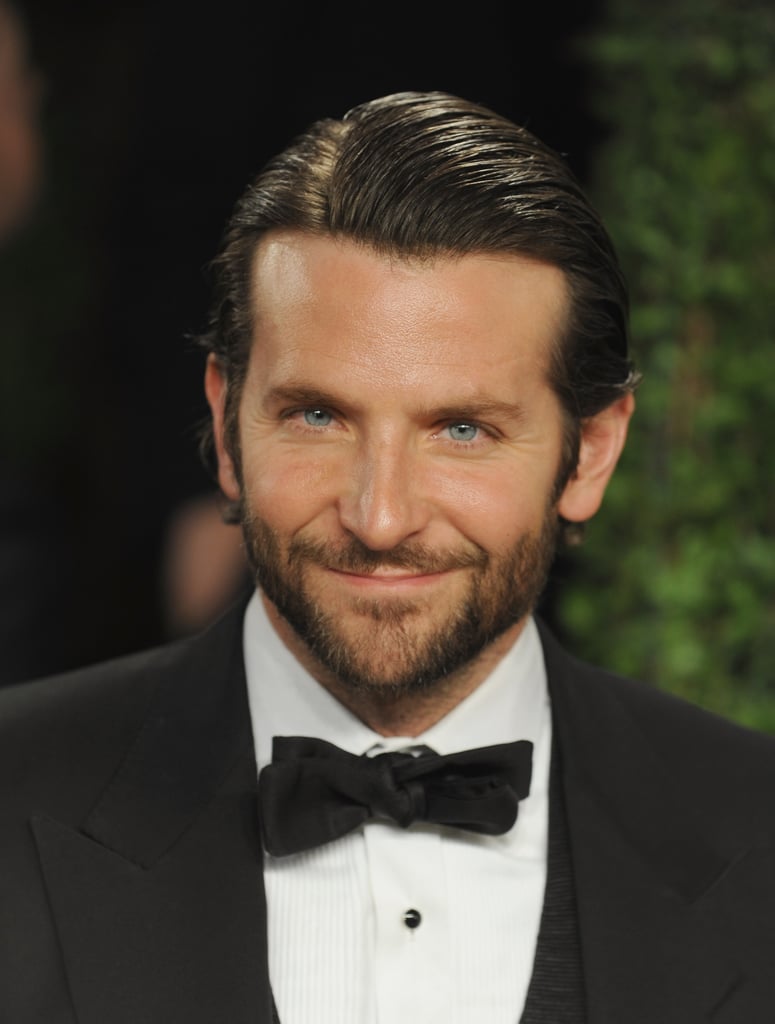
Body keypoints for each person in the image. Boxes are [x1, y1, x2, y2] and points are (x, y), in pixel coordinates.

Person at [1, 90, 774, 1024]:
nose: (379, 515)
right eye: (317, 416)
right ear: (225, 421)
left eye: (461, 429)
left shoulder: (754, 832)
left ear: (591, 453)